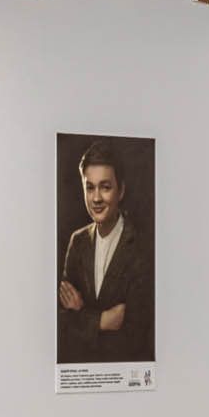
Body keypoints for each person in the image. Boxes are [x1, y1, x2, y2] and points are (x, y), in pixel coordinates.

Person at [58, 140, 155, 364]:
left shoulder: (142, 246)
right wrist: (101, 321)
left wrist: (80, 314)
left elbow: (135, 338)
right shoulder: (77, 241)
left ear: (121, 190)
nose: (96, 198)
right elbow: (60, 324)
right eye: (89, 187)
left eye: (105, 187)